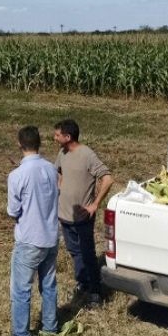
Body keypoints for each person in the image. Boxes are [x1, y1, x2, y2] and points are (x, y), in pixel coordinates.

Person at [5, 126, 59, 336]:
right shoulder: (51, 169)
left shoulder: (17, 175)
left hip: (29, 239)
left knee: (21, 290)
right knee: (49, 285)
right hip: (51, 236)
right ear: (39, 143)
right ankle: (50, 328)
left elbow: (13, 210)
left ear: (19, 144)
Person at [53, 119, 114, 307]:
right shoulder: (62, 153)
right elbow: (59, 172)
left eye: (57, 135)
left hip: (82, 217)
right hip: (65, 215)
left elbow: (108, 179)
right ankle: (83, 283)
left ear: (68, 137)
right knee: (74, 252)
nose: (54, 138)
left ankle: (95, 291)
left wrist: (94, 204)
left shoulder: (87, 155)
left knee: (87, 254)